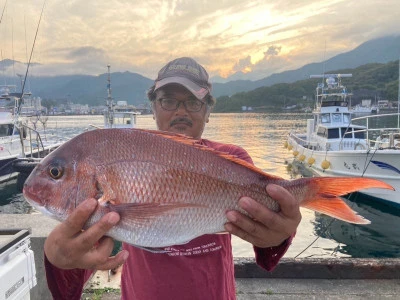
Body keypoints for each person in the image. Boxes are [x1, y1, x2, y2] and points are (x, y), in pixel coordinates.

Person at [43, 57, 301, 300]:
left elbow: (262, 228)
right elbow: (86, 259)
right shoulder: (127, 154)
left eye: (193, 101)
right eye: (168, 100)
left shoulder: (231, 159)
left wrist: (278, 237)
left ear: (208, 110)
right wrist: (62, 260)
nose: (180, 111)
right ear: (153, 108)